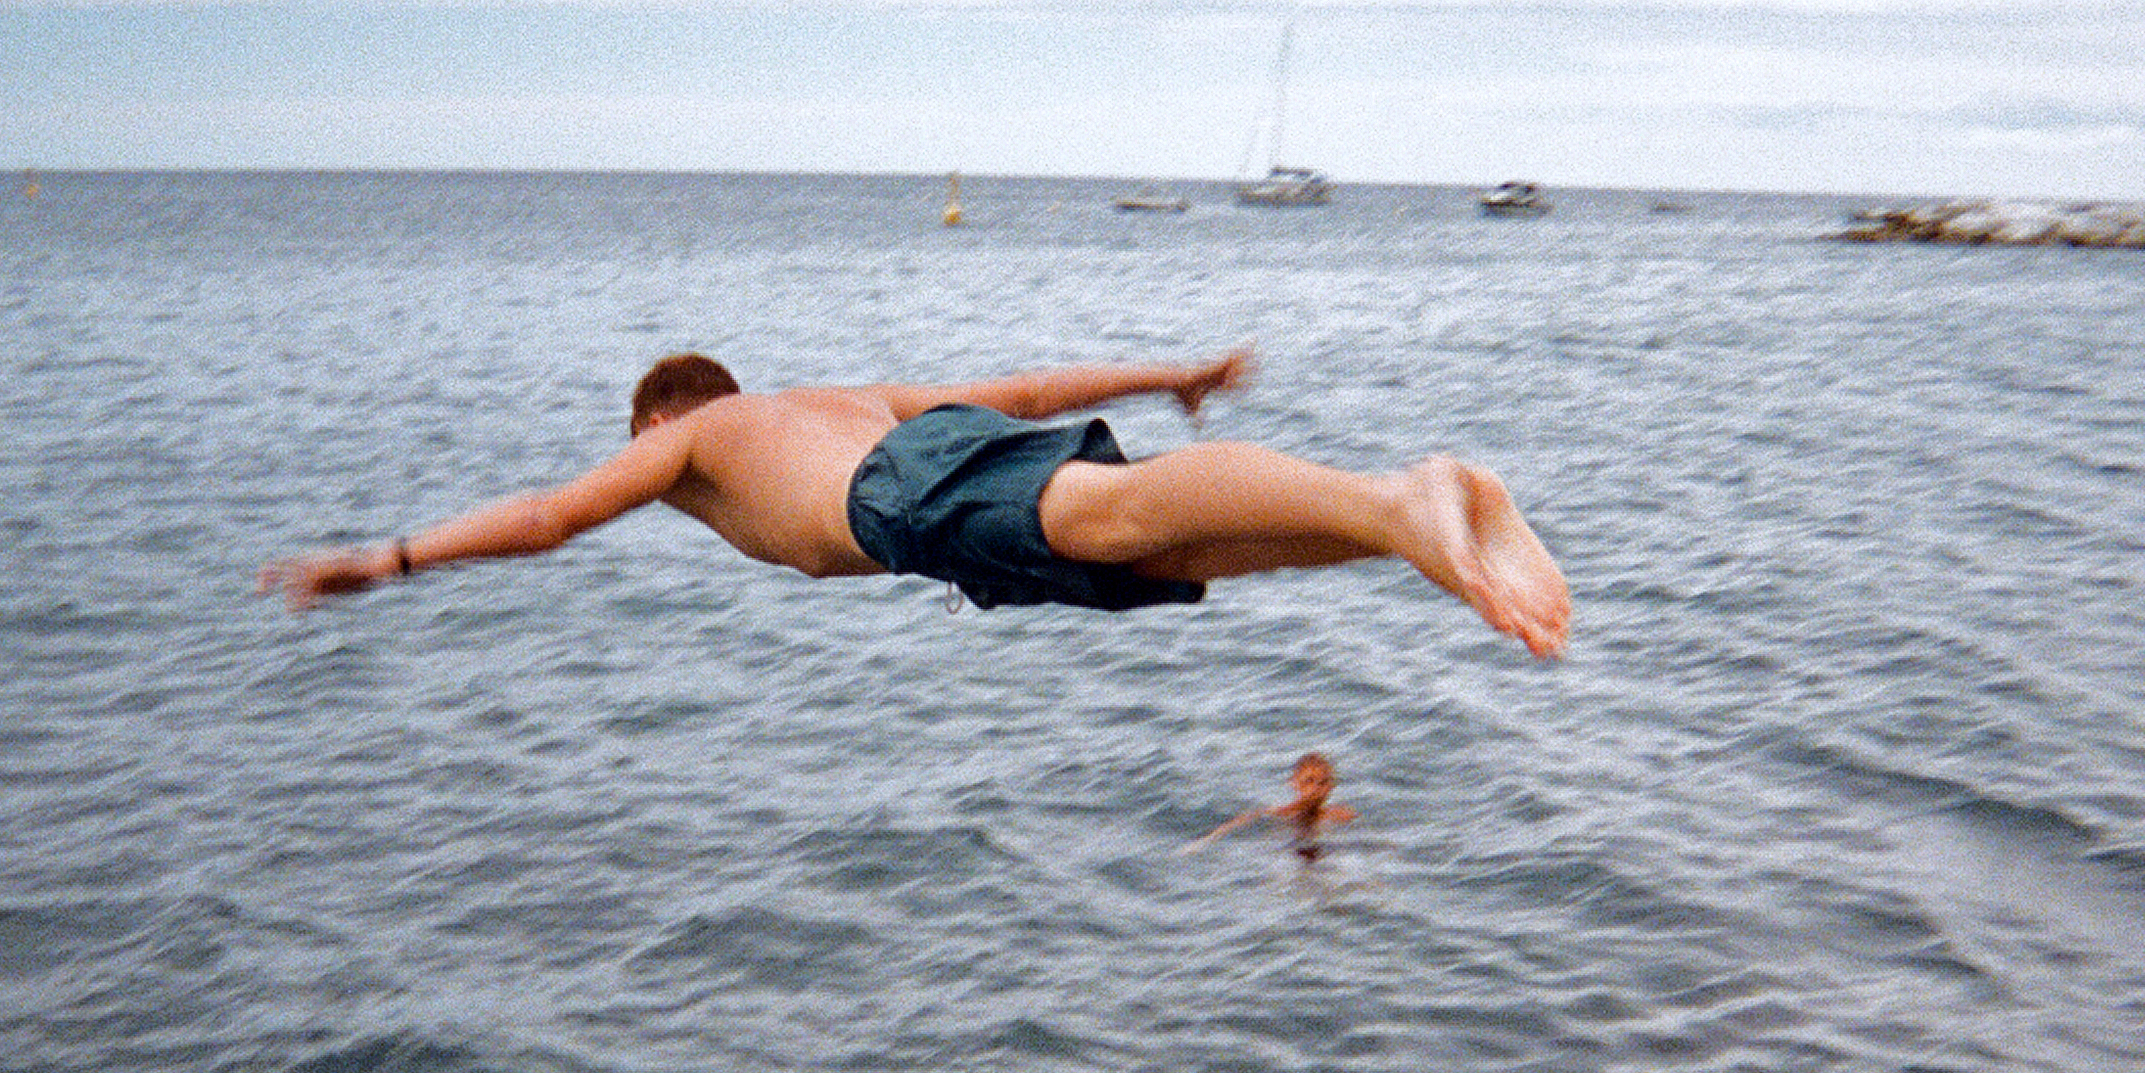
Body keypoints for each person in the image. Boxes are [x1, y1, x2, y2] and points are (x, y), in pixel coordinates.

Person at [255, 347, 1569, 656]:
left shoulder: (695, 430)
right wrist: (1168, 374)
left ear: (657, 419)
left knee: (1113, 518)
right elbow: (1026, 387)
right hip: (921, 497)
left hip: (897, 501)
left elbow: (550, 516)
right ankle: (1406, 530)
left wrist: (389, 559)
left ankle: (1399, 498)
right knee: (1171, 548)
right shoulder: (832, 399)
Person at [1195, 752, 1358, 858]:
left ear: (1331, 787)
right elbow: (1234, 825)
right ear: (1294, 783)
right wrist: (1202, 843)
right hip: (1285, 852)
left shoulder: (1342, 814)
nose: (1316, 788)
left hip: (1327, 855)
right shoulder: (1280, 813)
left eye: (1323, 783)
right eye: (1309, 781)